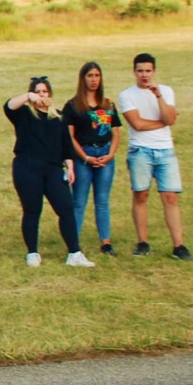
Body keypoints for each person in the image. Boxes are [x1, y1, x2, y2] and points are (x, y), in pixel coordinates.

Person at [4, 77, 95, 268]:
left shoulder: (59, 118)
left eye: (44, 91)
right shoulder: (25, 115)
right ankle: (32, 253)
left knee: (66, 208)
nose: (41, 95)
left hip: (53, 169)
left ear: (50, 94)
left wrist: (70, 167)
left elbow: (66, 146)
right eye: (37, 91)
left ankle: (74, 253)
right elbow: (8, 106)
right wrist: (28, 97)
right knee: (32, 210)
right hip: (27, 167)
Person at [117, 53, 193, 261]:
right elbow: (138, 124)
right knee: (141, 195)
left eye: (148, 71)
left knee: (171, 197)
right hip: (140, 150)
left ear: (154, 72)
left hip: (165, 150)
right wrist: (164, 122)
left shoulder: (166, 91)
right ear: (134, 72)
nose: (144, 75)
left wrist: (158, 96)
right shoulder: (127, 95)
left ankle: (179, 245)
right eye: (140, 71)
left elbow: (170, 118)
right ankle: (142, 242)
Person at [62, 62, 121, 256]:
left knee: (102, 200)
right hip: (83, 156)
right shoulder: (73, 106)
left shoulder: (108, 104)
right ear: (83, 78)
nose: (94, 79)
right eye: (90, 75)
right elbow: (69, 136)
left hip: (104, 154)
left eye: (97, 75)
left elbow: (116, 132)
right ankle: (74, 244)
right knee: (79, 201)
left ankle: (105, 241)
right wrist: (85, 157)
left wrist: (110, 154)